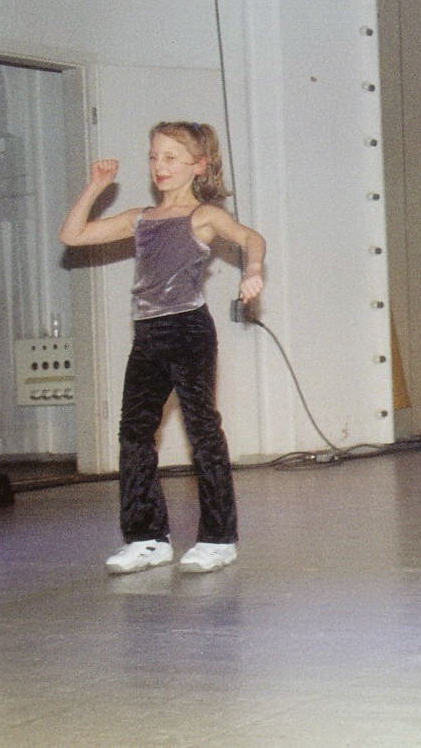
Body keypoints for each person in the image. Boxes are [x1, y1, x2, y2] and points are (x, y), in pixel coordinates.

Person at [58, 121, 265, 575]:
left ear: (199, 165)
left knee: (202, 430)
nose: (159, 165)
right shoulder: (140, 218)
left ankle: (218, 538)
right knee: (134, 432)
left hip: (188, 330)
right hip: (147, 334)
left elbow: (252, 238)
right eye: (154, 156)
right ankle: (147, 538)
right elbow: (72, 235)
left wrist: (252, 270)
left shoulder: (203, 216)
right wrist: (95, 187)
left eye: (171, 157)